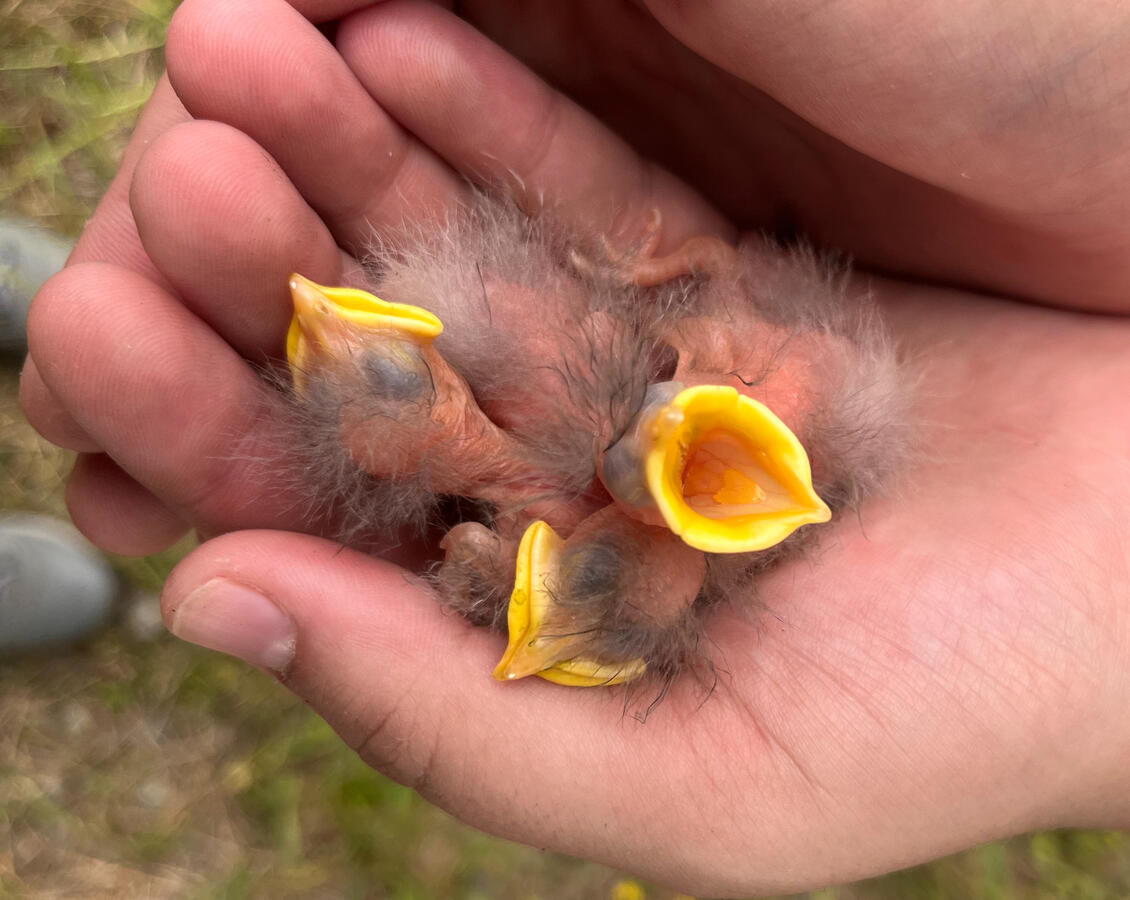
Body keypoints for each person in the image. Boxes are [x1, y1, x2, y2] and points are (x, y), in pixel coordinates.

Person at [19, 0, 1130, 894]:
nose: (666, 425)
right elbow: (711, 289)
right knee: (266, 284)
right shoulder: (723, 363)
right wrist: (630, 289)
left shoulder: (666, 507)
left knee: (290, 338)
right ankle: (66, 289)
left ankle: (65, 293)